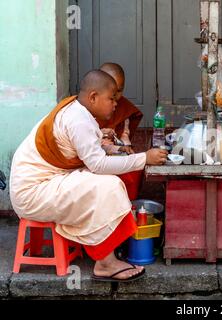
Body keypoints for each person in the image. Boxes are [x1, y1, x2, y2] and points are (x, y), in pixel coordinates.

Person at [9, 70, 168, 281]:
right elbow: (98, 164)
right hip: (33, 193)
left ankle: (105, 253)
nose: (115, 104)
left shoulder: (78, 111)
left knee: (108, 183)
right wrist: (144, 158)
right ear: (93, 97)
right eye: (111, 99)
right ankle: (105, 262)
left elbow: (86, 150)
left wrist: (107, 143)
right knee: (107, 186)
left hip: (48, 182)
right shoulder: (79, 119)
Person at [97, 62, 145, 200]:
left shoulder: (123, 107)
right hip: (95, 157)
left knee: (133, 170)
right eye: (112, 91)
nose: (116, 97)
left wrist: (125, 147)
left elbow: (125, 136)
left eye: (120, 90)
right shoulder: (87, 108)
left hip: (117, 151)